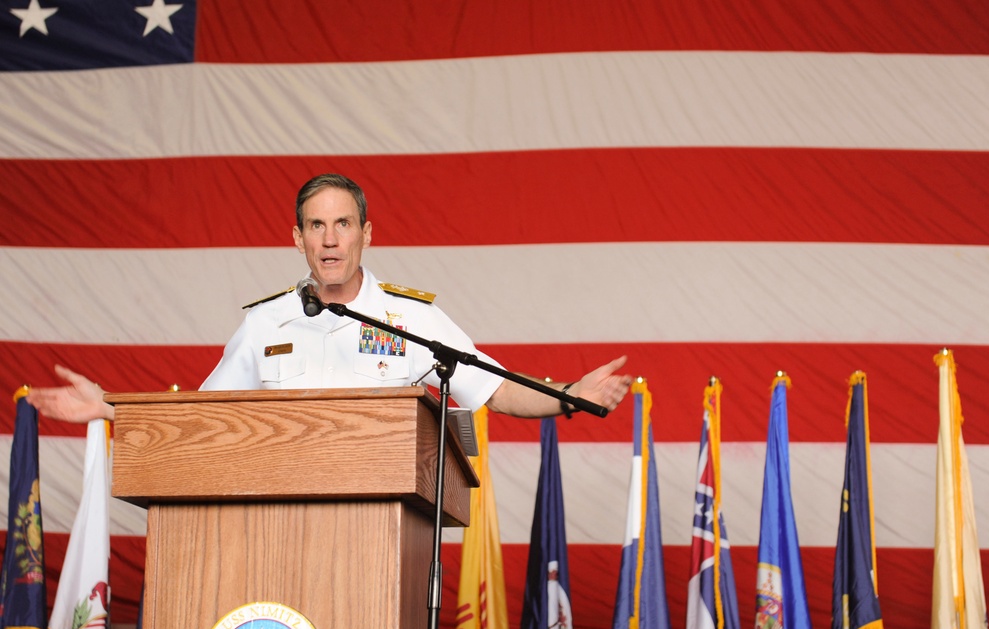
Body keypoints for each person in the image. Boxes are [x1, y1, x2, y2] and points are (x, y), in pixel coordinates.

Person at [28, 174, 632, 422]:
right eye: (316, 226)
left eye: (343, 224)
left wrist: (569, 398)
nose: (331, 239)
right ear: (297, 239)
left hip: (387, 525)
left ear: (367, 234)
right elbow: (205, 416)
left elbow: (493, 386)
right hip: (279, 519)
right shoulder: (266, 322)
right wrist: (109, 409)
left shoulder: (411, 317)